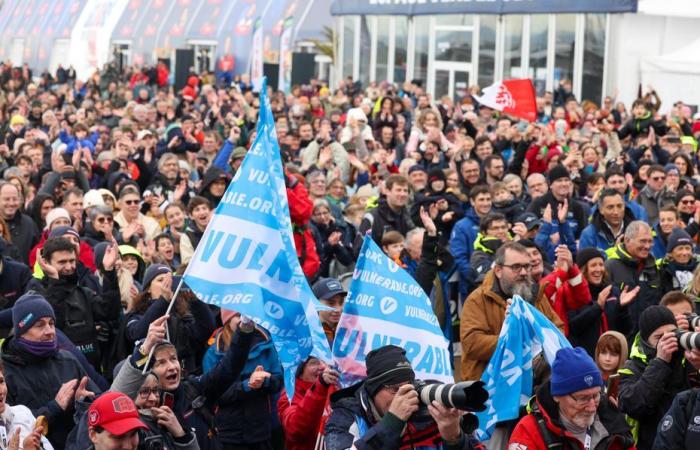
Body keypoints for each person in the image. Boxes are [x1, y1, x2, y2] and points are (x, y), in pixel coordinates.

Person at [324, 345, 484, 450]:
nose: (405, 395)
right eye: (395, 389)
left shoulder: (431, 406)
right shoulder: (346, 415)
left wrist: (454, 439)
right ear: (373, 390)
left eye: (409, 386)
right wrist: (391, 423)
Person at [2, 293, 102, 448]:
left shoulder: (67, 360)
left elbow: (99, 401)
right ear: (21, 330)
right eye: (40, 325)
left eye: (51, 323)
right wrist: (54, 408)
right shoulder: (6, 373)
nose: (50, 331)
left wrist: (83, 402)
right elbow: (9, 427)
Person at [460, 242, 564, 381]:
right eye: (516, 267)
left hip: (536, 383)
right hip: (491, 387)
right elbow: (471, 344)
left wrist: (540, 349)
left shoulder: (537, 294)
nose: (523, 272)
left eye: (527, 266)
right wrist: (519, 342)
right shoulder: (478, 300)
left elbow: (558, 329)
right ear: (498, 270)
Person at [508, 347, 635, 450]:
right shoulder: (530, 430)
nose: (592, 407)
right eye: (582, 398)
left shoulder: (612, 422)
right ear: (557, 396)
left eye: (596, 395)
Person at [617, 305, 700, 450]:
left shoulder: (688, 358)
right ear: (645, 341)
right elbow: (633, 405)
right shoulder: (632, 368)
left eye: (672, 333)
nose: (667, 339)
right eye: (659, 337)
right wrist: (660, 362)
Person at [35, 236, 121, 369]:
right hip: (60, 371)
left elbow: (110, 311)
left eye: (72, 261)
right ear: (46, 262)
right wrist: (54, 280)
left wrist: (109, 272)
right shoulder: (37, 294)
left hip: (91, 370)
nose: (69, 267)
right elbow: (55, 324)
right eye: (62, 262)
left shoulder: (83, 293)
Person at [605, 221, 663, 339]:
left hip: (648, 339)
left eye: (650, 241)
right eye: (642, 241)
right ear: (627, 240)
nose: (647, 246)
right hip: (619, 338)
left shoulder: (654, 268)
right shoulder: (610, 266)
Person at [278, 357, 339, 450]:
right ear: (300, 373)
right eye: (314, 363)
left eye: (325, 361)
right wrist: (320, 387)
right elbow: (295, 430)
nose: (322, 366)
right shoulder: (288, 396)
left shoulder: (334, 387)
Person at [579, 189, 635, 254]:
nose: (616, 212)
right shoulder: (589, 234)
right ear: (601, 210)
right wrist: (615, 253)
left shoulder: (636, 230)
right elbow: (586, 262)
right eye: (610, 207)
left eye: (619, 206)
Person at [312, 277, 347, 345]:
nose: (338, 309)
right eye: (331, 303)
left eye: (341, 302)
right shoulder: (308, 332)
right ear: (316, 303)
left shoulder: (350, 328)